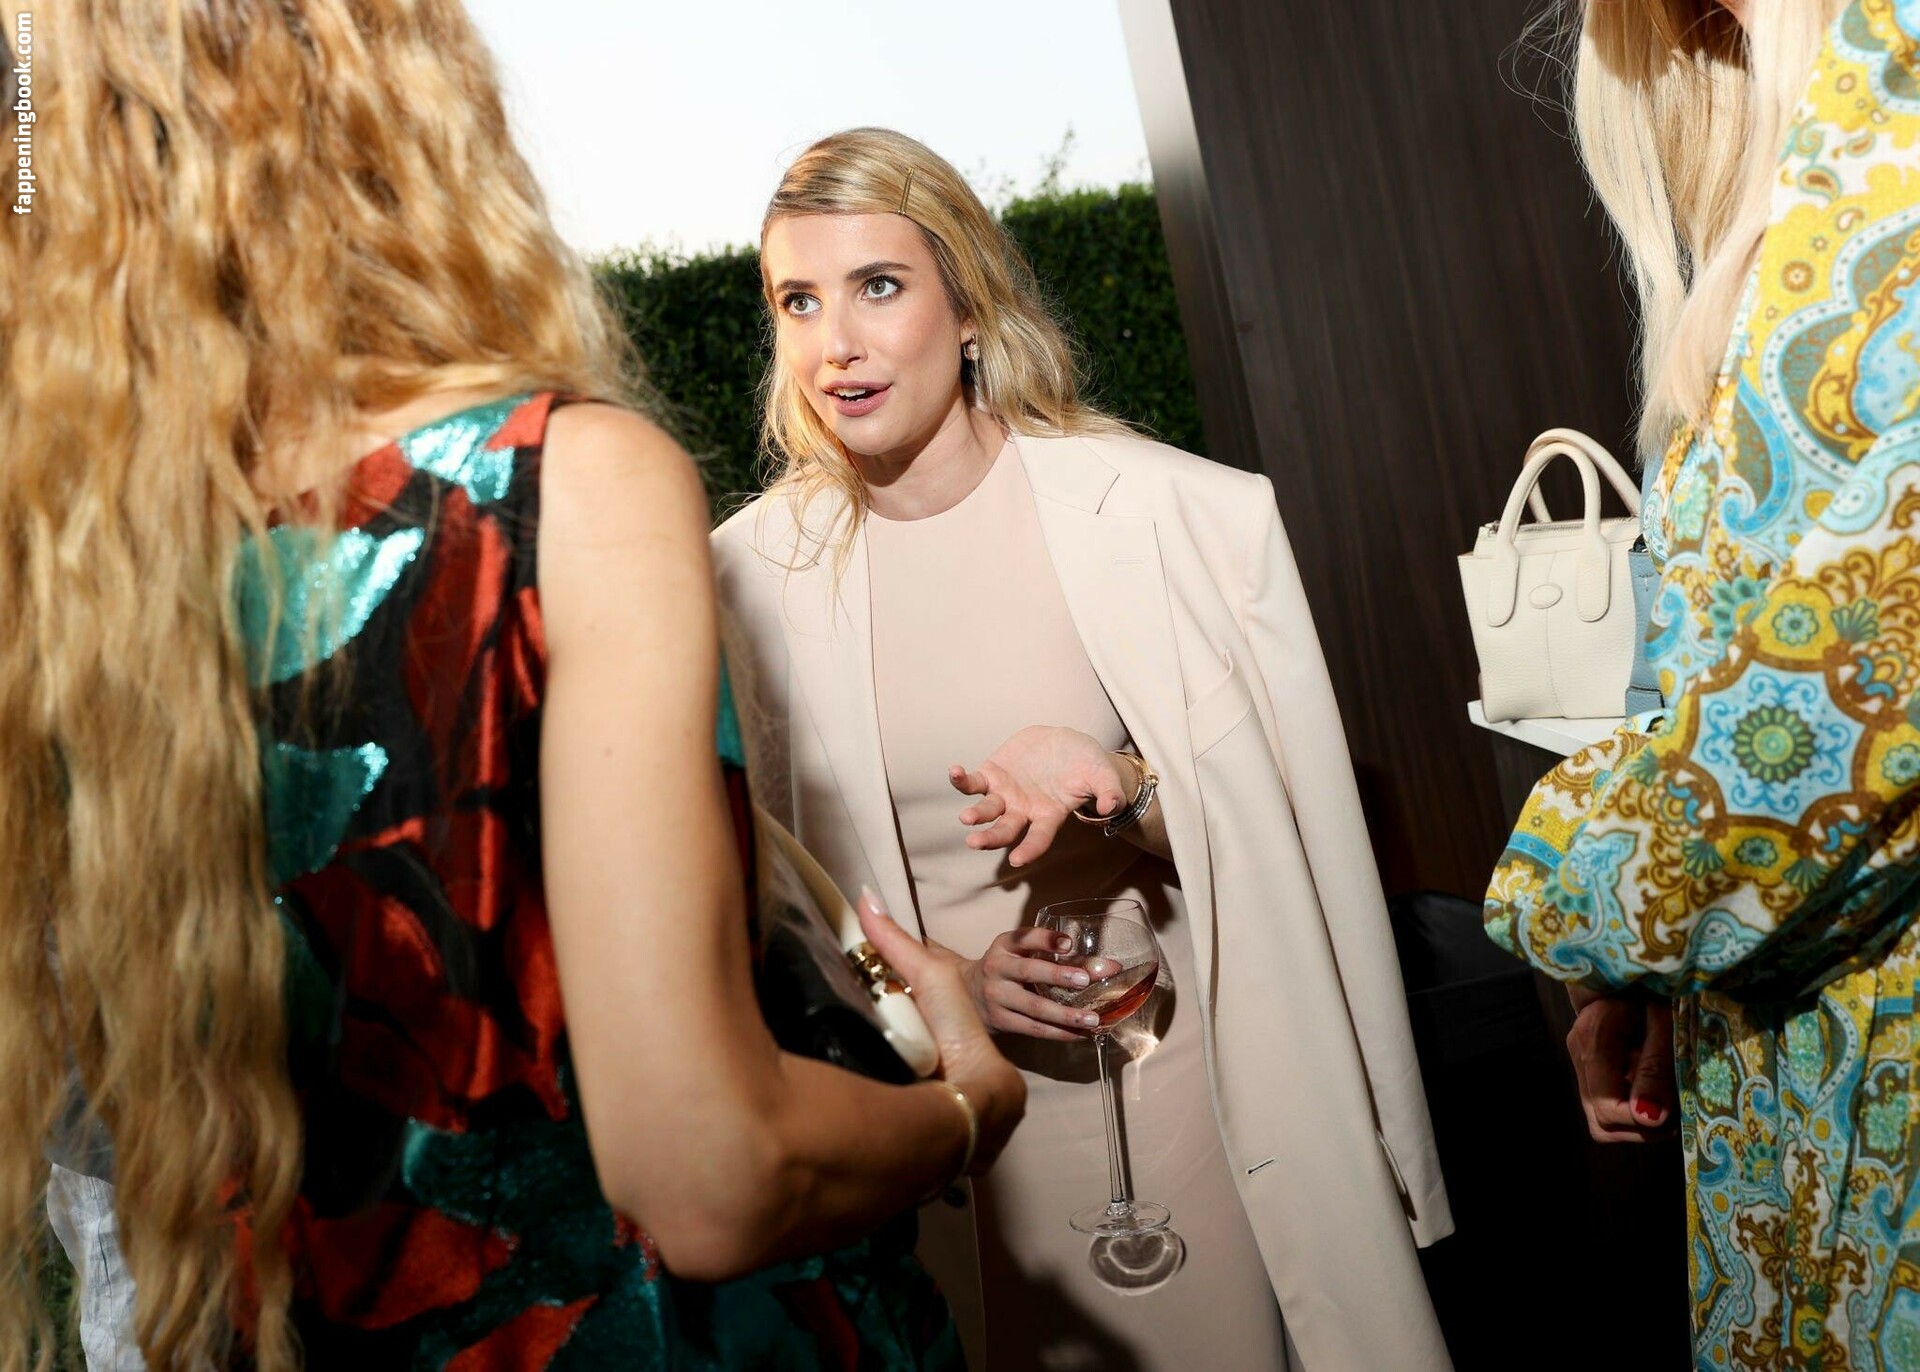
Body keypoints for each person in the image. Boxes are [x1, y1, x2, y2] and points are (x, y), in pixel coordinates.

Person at [0, 4, 1028, 1367]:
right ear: (399, 99)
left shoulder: (69, 572)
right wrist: (968, 1107)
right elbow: (710, 1177)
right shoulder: (556, 488)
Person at [713, 127, 1453, 1372]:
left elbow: (1301, 843)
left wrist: (1125, 788)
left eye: (878, 286)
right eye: (799, 299)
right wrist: (940, 990)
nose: (834, 341)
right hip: (936, 1139)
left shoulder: (1182, 515)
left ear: (967, 306)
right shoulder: (739, 583)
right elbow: (763, 912)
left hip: (1189, 1099)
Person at [1483, 0, 1920, 1365]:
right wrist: (1664, 968)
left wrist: (1581, 898)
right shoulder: (1781, 118)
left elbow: (1849, 684)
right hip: (1791, 1062)